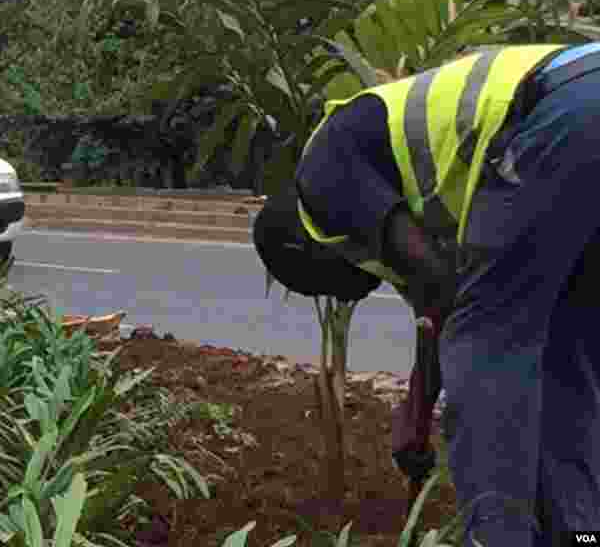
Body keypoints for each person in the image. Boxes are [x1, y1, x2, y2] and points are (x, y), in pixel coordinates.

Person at [253, 42, 600, 546]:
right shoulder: (385, 184)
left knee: (490, 341)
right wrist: (417, 411)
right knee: (566, 350)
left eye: (320, 286)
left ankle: (498, 536)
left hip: (569, 111)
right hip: (581, 98)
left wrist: (418, 413)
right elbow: (437, 306)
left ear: (303, 246)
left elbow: (445, 292)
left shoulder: (322, 176)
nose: (348, 296)